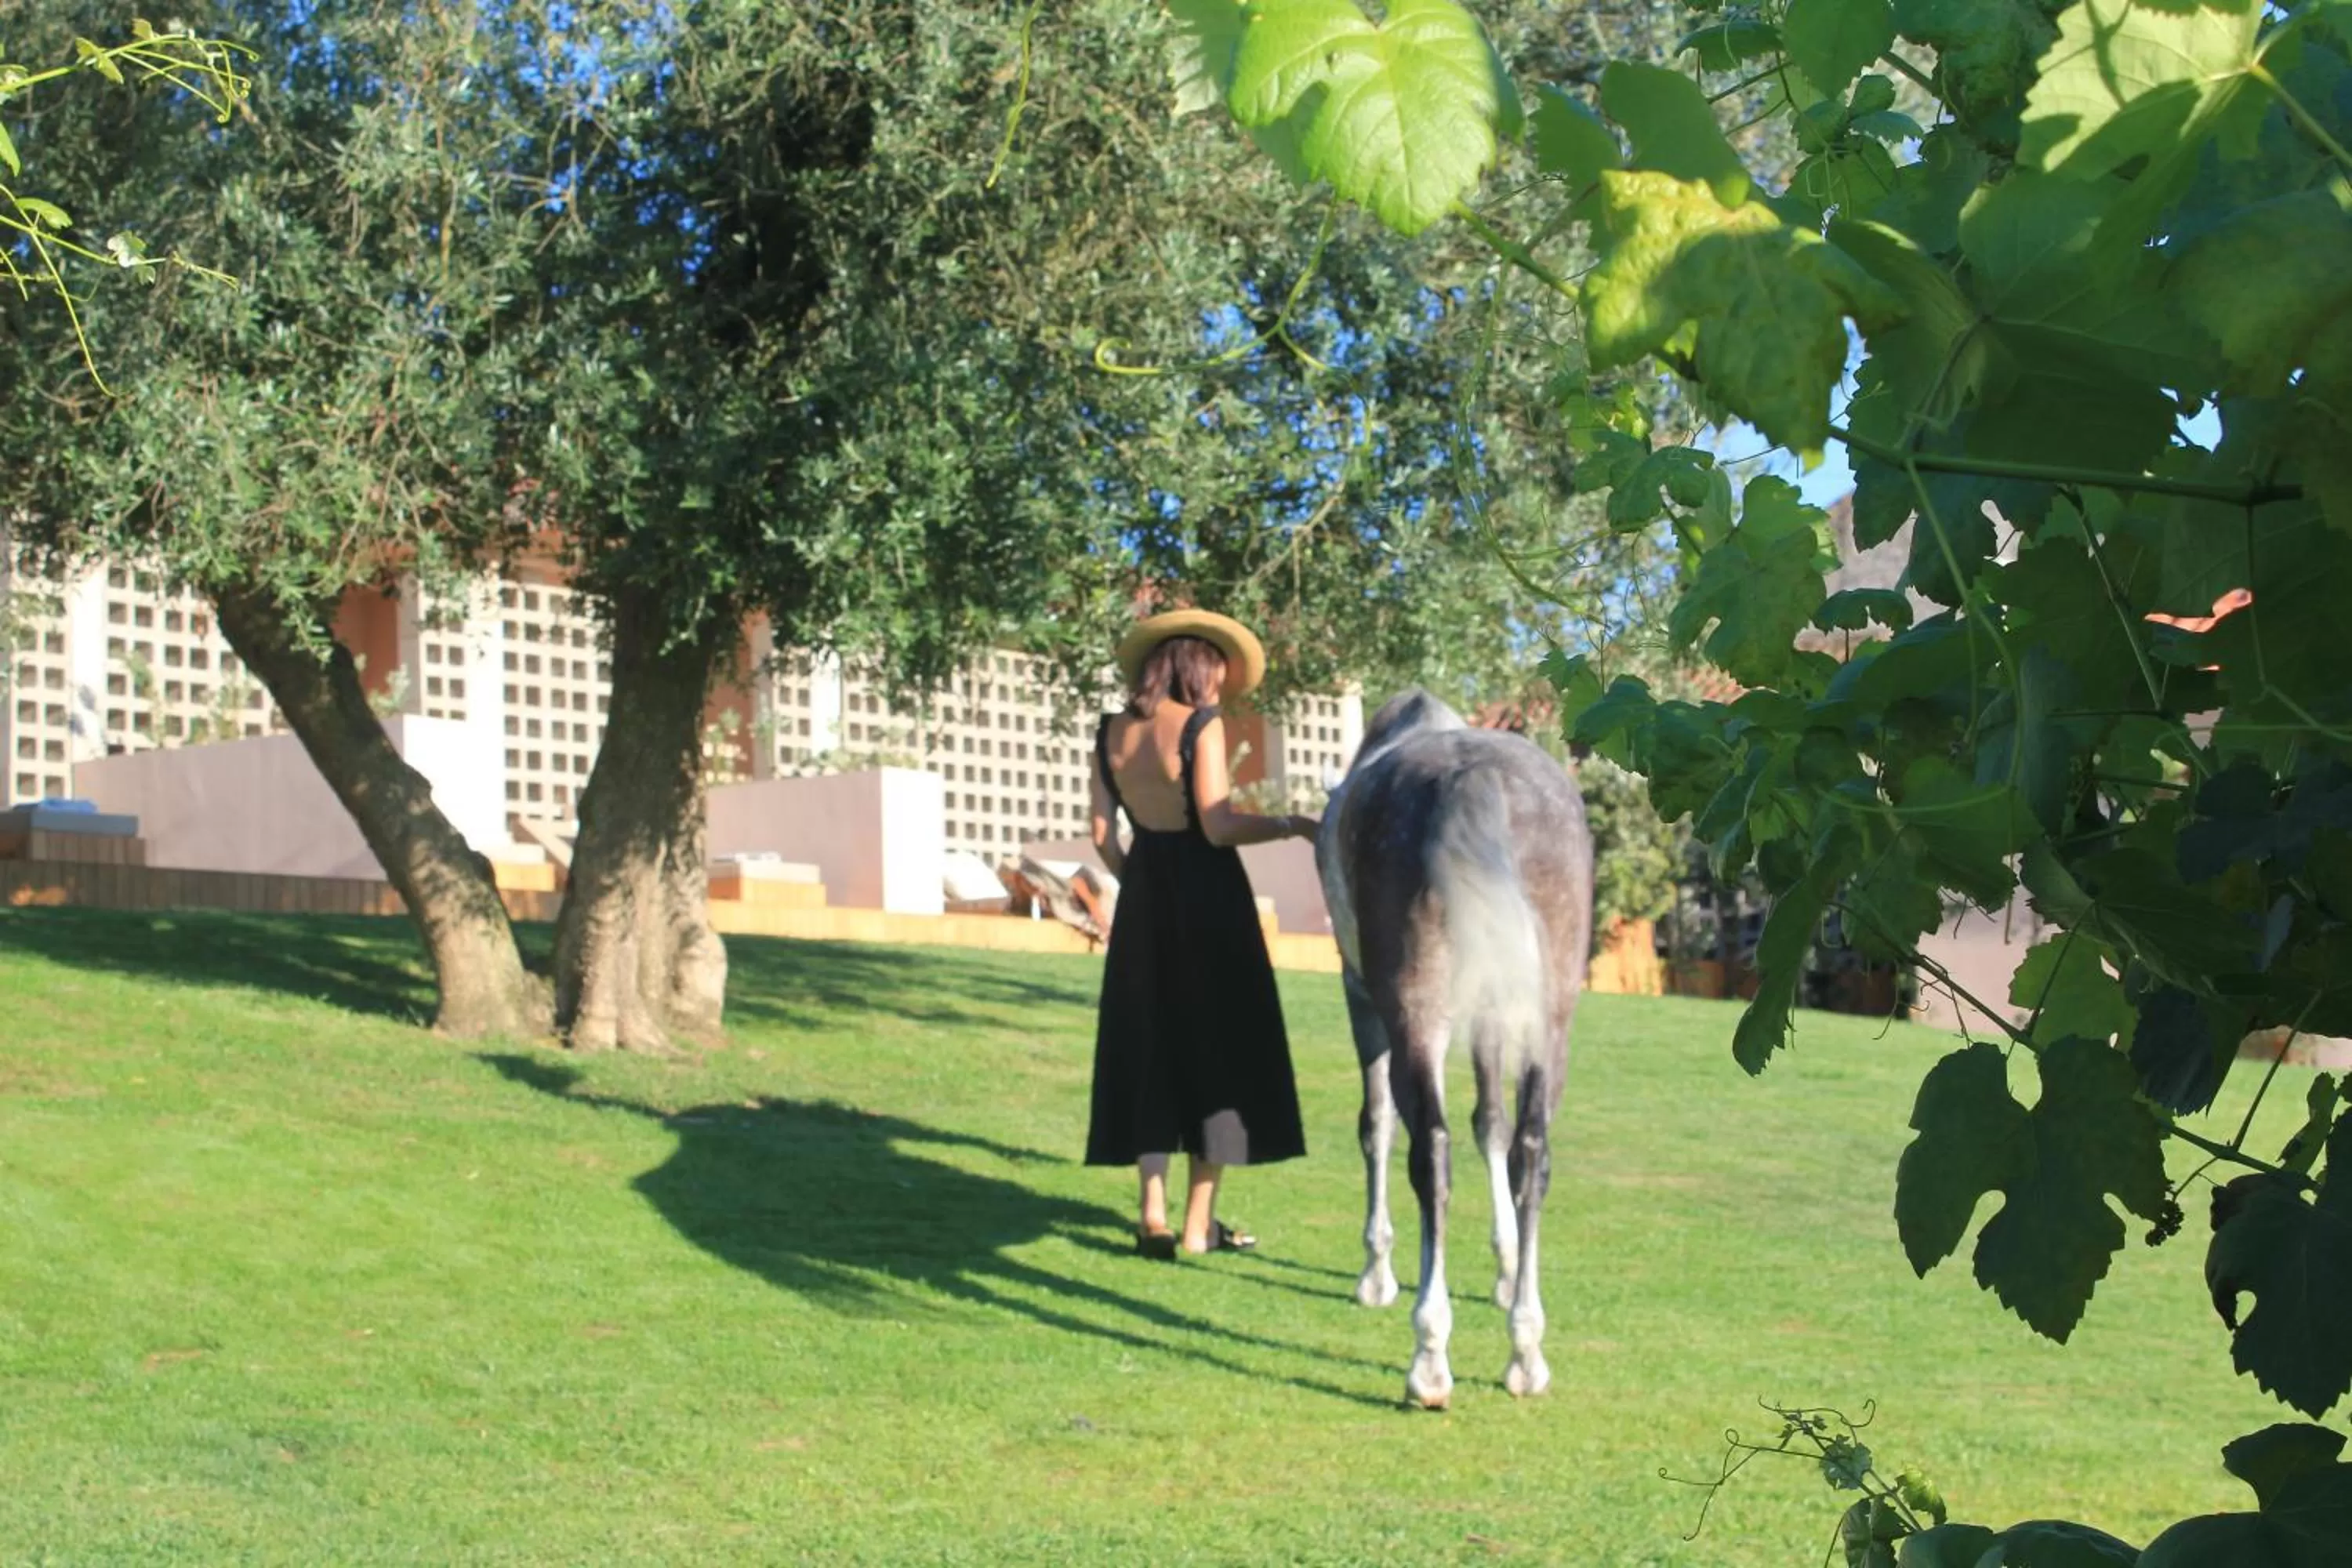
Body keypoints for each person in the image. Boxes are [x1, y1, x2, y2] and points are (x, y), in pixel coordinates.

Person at [1083, 609, 1316, 1259]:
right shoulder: (1202, 725)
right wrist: (1292, 823)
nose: (1221, 681)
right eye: (1216, 667)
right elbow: (1216, 825)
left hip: (1147, 896)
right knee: (1216, 1049)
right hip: (1210, 897)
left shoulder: (1110, 733)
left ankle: (1152, 1217)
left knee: (1151, 1046)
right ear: (1196, 665)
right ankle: (1196, 1228)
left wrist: (1145, 884)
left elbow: (1104, 836)